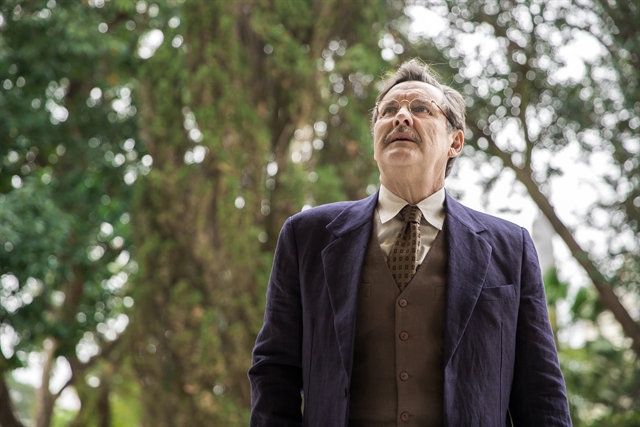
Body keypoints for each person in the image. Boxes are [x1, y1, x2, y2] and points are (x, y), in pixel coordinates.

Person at [248, 58, 571, 427]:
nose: (401, 117)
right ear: (374, 143)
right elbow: (275, 372)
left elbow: (540, 390)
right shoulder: (306, 236)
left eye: (421, 109)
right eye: (389, 111)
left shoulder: (510, 247)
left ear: (455, 141)